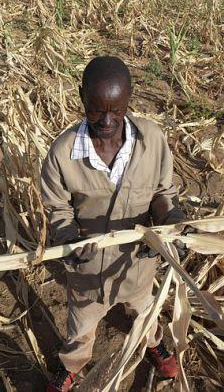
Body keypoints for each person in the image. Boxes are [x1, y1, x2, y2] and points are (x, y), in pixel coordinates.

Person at [40, 56, 186, 392]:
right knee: (81, 325)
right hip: (88, 270)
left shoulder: (151, 141)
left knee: (144, 310)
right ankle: (71, 365)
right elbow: (58, 208)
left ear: (129, 100)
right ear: (81, 97)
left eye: (116, 111)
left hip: (136, 265)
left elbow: (163, 194)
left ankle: (152, 343)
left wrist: (172, 221)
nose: (107, 121)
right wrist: (67, 239)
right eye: (95, 110)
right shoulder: (62, 154)